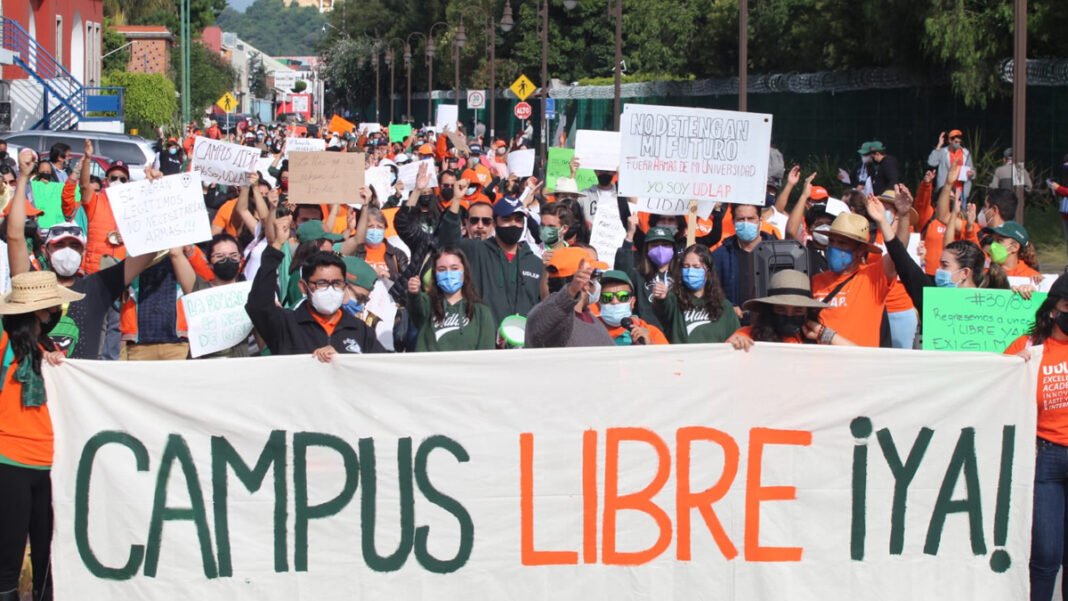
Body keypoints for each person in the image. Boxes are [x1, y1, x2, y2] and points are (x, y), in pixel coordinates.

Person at [9, 149, 154, 360]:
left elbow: (149, 254)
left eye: (74, 246)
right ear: (46, 250)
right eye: (60, 245)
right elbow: (15, 237)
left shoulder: (97, 287)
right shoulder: (33, 284)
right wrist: (23, 177)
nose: (67, 251)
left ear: (83, 251)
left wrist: (156, 192)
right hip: (38, 388)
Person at [0, 271, 82, 601]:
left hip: (50, 466)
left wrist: (53, 361)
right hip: (10, 461)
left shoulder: (47, 350)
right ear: (36, 313)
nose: (55, 315)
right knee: (8, 555)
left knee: (49, 559)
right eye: (50, 310)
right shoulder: (5, 344)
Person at [1003, 273, 1068, 601]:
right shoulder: (1029, 347)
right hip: (1045, 458)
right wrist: (1012, 368)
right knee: (1045, 554)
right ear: (1054, 309)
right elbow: (992, 389)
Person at [246, 213, 386, 359]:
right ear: (303, 287)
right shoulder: (286, 325)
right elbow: (258, 305)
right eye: (322, 283)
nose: (330, 289)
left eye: (336, 283)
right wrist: (275, 246)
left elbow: (381, 368)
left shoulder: (360, 330)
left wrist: (342, 360)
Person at [438, 186, 543, 329]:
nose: (513, 224)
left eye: (518, 220)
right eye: (506, 219)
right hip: (485, 342)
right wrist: (456, 200)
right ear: (494, 223)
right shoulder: (477, 250)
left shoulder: (535, 263)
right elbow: (447, 243)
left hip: (524, 344)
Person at [810, 192, 907, 348]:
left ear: (860, 250)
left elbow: (899, 254)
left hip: (862, 367)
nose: (834, 247)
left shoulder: (873, 277)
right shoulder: (816, 281)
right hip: (824, 367)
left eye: (842, 243)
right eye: (832, 241)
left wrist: (904, 216)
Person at [726, 269, 855, 349]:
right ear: (770, 310)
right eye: (781, 310)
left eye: (797, 311)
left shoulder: (817, 340)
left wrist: (824, 334)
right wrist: (734, 344)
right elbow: (720, 356)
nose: (789, 315)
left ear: (807, 312)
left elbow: (861, 357)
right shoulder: (749, 334)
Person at [170, 234, 251, 358]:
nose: (227, 260)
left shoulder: (250, 293)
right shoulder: (198, 289)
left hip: (238, 369)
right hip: (203, 371)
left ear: (241, 261)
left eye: (233, 255)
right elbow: (175, 254)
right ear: (209, 263)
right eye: (220, 256)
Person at [406, 248, 496, 352]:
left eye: (454, 268)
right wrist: (413, 293)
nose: (448, 274)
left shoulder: (481, 312)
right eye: (442, 269)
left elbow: (486, 355)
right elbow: (415, 307)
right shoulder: (427, 304)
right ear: (435, 274)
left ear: (464, 271)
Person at [652, 244, 740, 344]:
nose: (690, 271)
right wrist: (661, 298)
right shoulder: (673, 301)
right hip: (681, 359)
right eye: (686, 266)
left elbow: (736, 339)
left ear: (708, 271)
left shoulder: (725, 306)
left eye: (696, 267)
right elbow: (662, 310)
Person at [526, 247, 613, 348]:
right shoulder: (553, 321)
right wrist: (571, 291)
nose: (597, 282)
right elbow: (540, 323)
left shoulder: (591, 319)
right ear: (585, 283)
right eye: (595, 276)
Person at [712, 203, 773, 320]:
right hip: (733, 325)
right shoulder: (720, 255)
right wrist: (727, 306)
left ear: (760, 220)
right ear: (733, 222)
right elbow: (712, 290)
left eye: (750, 219)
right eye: (740, 219)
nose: (746, 223)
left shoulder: (777, 252)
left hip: (768, 324)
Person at [595, 270, 668, 345]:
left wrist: (650, 345)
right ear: (598, 304)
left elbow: (669, 356)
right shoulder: (588, 331)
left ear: (632, 302)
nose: (614, 302)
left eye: (623, 296)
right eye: (606, 297)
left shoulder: (651, 333)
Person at [928, 129, 975, 201]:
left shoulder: (965, 153)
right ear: (950, 140)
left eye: (959, 142)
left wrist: (971, 173)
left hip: (960, 193)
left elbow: (972, 172)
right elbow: (931, 162)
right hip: (945, 191)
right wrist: (939, 144)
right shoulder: (943, 152)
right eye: (956, 142)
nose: (958, 144)